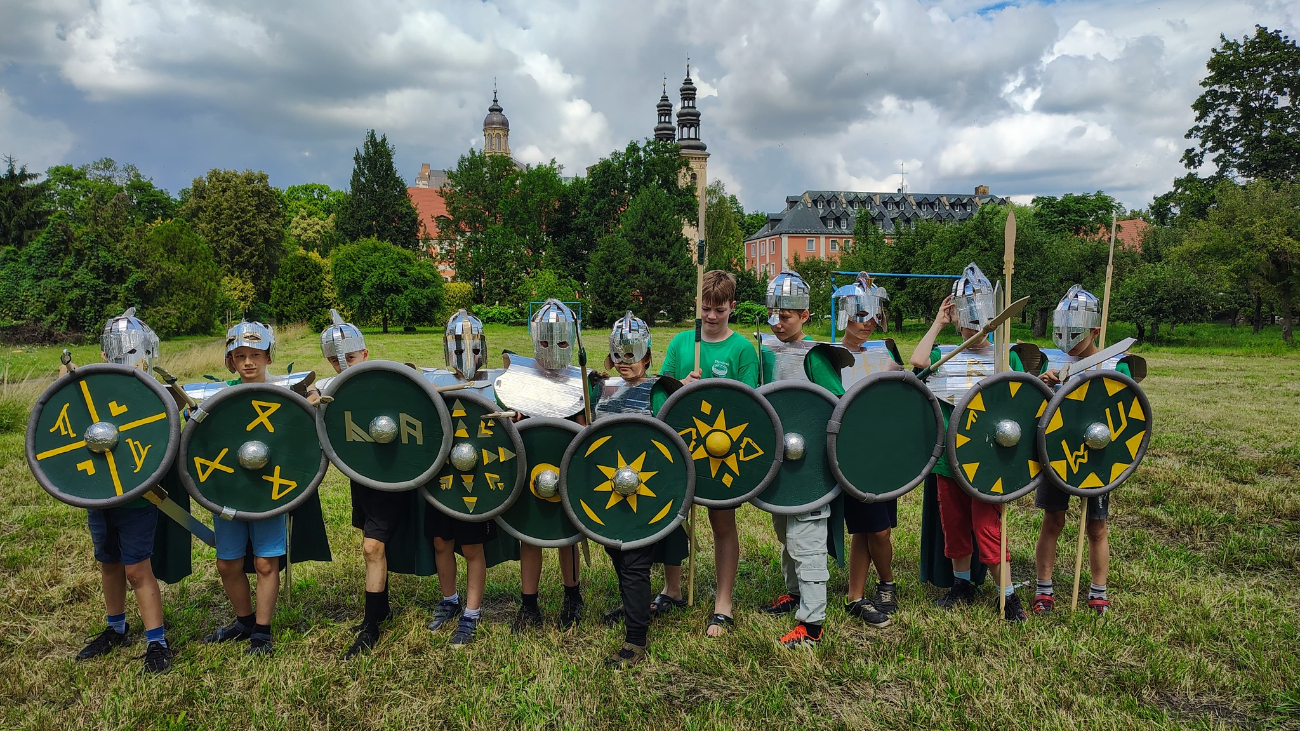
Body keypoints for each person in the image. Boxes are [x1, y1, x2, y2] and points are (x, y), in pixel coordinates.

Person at [202, 320, 332, 655]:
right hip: (229, 489)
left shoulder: (286, 395)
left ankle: (262, 631)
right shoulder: (218, 397)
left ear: (268, 357)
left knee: (265, 562)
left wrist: (313, 399)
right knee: (227, 564)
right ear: (231, 361)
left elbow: (303, 428)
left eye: (255, 355)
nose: (248, 362)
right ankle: (243, 622)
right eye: (240, 355)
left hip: (270, 491)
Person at [910, 264, 1027, 622]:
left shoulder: (1007, 354)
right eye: (966, 317)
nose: (973, 326)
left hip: (989, 459)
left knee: (987, 527)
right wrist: (938, 323)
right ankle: (962, 585)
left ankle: (1008, 597)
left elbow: (1023, 404)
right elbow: (916, 363)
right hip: (949, 458)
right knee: (955, 524)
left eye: (979, 318)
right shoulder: (945, 354)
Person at [69, 308, 180, 674]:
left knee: (136, 568)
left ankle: (157, 640)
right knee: (109, 562)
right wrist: (65, 389)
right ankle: (116, 627)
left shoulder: (153, 395)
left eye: (133, 351)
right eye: (117, 351)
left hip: (138, 495)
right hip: (100, 491)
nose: (124, 358)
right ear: (103, 354)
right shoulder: (90, 391)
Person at [658, 270, 760, 637]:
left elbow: (751, 404)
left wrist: (717, 392)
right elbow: (661, 391)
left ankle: (723, 604)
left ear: (732, 306)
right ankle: (671, 588)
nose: (712, 317)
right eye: (706, 309)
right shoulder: (682, 343)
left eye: (719, 309)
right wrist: (681, 386)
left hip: (722, 452)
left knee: (722, 523)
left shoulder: (743, 349)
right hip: (680, 445)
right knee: (670, 519)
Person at [755, 272, 845, 648]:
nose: (778, 321)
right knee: (784, 532)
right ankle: (793, 592)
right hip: (778, 462)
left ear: (805, 315)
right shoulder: (763, 352)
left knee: (806, 537)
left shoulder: (816, 355)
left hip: (810, 465)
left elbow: (838, 407)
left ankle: (812, 622)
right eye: (773, 313)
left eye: (786, 315)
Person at [1031, 285, 1131, 616]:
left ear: (1095, 330)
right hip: (1057, 452)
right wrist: (1044, 386)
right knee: (1053, 519)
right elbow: (1036, 410)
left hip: (1098, 455)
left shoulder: (1117, 364)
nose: (1068, 338)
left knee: (1097, 525)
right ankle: (1044, 589)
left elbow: (1128, 414)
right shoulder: (1050, 360)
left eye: (1076, 331)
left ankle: (1098, 592)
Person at [424, 309, 520, 646]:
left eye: (474, 348)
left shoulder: (498, 384)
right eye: (460, 349)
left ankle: (472, 613)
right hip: (442, 478)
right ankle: (450, 601)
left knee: (472, 545)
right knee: (441, 542)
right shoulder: (433, 382)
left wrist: (514, 414)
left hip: (478, 478)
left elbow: (516, 421)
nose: (469, 356)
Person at [495, 301, 590, 632]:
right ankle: (529, 604)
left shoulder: (582, 380)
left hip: (566, 465)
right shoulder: (518, 378)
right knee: (530, 535)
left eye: (562, 343)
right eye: (547, 342)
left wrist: (584, 420)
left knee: (568, 534)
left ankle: (573, 597)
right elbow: (506, 422)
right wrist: (516, 416)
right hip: (529, 465)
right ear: (535, 339)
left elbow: (585, 427)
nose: (553, 350)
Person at [595, 312, 678, 669]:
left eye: (633, 355)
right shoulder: (604, 388)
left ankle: (635, 639)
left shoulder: (659, 390)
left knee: (634, 563)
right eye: (619, 354)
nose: (625, 362)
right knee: (617, 553)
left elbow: (673, 441)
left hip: (648, 492)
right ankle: (637, 608)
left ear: (647, 356)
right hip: (608, 487)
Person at [832, 275, 902, 628]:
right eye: (859, 315)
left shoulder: (884, 354)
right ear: (845, 315)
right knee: (866, 528)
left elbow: (907, 384)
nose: (866, 323)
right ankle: (863, 593)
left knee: (878, 530)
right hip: (851, 455)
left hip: (883, 454)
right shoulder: (829, 356)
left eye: (872, 316)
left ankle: (877, 586)